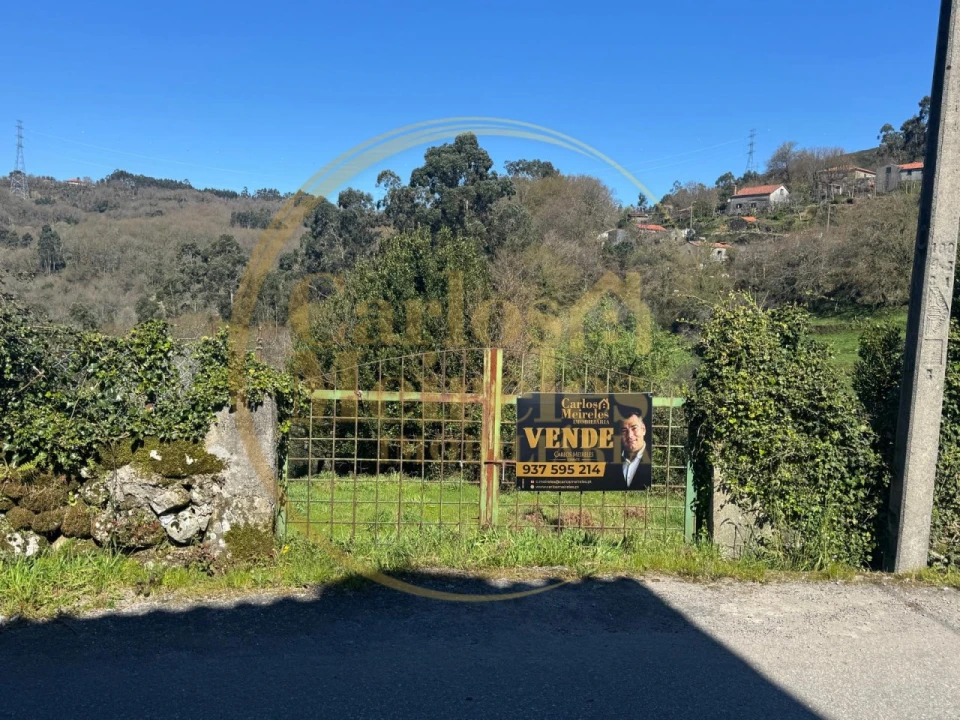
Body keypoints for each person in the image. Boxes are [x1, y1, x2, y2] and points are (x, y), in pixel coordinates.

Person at [618, 411, 647, 488]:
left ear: (643, 429)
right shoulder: (612, 462)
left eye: (634, 428)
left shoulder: (657, 458)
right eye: (624, 431)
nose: (630, 435)